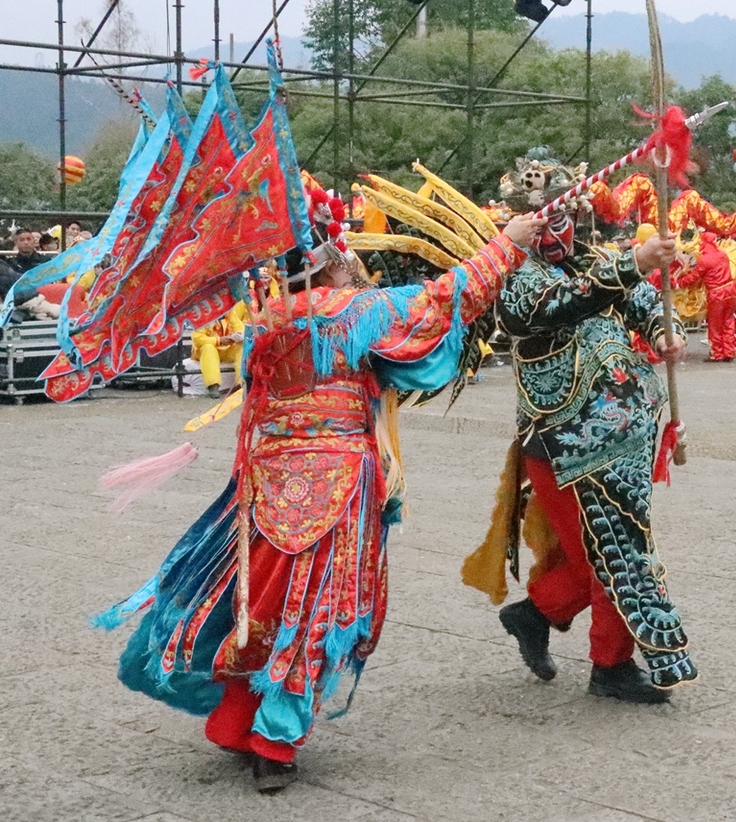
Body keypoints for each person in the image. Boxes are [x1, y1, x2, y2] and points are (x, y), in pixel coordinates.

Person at [95, 210, 543, 793]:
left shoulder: (266, 318)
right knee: (318, 607)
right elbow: (444, 298)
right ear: (325, 260)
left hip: (269, 478)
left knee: (262, 597)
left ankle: (237, 722)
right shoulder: (351, 312)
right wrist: (506, 245)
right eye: (341, 253)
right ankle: (275, 742)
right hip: (336, 480)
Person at [471, 150, 697, 703]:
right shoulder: (514, 275)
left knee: (604, 550)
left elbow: (641, 300)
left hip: (628, 431)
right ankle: (610, 666)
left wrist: (664, 329)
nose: (553, 228)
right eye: (540, 217)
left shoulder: (593, 257)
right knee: (615, 554)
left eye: (560, 214)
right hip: (564, 442)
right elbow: (560, 306)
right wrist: (634, 262)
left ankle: (536, 614)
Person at [676, 231, 736, 362]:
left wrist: (678, 283)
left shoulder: (705, 260)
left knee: (715, 324)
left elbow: (694, 277)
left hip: (716, 293)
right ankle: (729, 352)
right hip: (730, 290)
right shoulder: (723, 254)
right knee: (728, 322)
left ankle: (717, 354)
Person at [190, 301, 249, 398]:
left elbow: (240, 328)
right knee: (209, 348)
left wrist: (237, 336)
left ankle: (241, 383)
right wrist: (218, 340)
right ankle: (213, 385)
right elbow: (197, 339)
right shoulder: (202, 314)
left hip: (225, 349)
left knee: (241, 346)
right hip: (204, 350)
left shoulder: (230, 313)